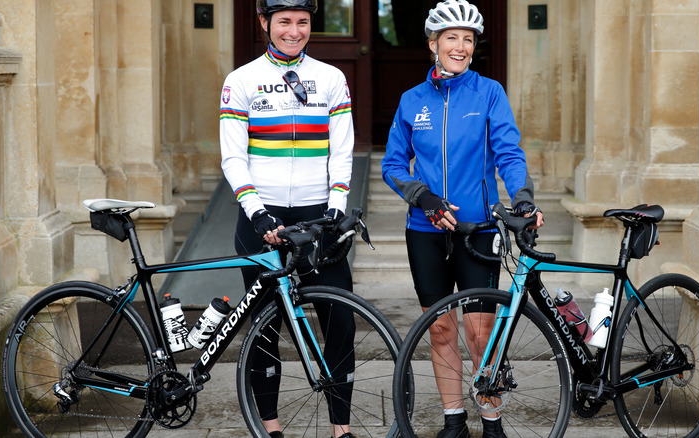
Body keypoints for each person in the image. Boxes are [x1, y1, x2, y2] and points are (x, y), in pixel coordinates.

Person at [381, 1, 544, 437]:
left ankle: (491, 420)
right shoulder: (411, 101)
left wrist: (523, 199)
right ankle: (454, 420)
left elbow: (509, 152)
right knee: (439, 329)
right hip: (425, 232)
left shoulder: (488, 92)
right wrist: (425, 198)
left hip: (480, 232)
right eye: (451, 37)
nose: (461, 46)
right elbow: (393, 165)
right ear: (433, 43)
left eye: (468, 39)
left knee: (480, 332)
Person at [219, 1, 356, 437]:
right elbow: (233, 156)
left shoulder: (332, 78)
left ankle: (341, 428)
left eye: (302, 22)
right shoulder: (240, 81)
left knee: (339, 320)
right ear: (265, 23)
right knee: (265, 329)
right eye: (284, 23)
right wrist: (256, 213)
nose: (294, 32)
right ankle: (272, 428)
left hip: (318, 218)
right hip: (263, 220)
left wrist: (336, 207)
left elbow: (342, 150)